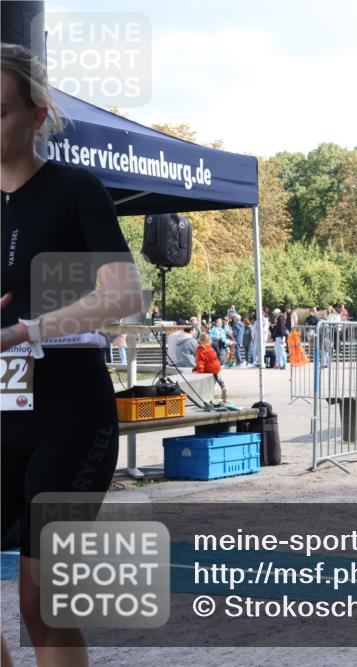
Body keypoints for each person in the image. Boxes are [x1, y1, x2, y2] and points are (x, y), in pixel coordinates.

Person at [1, 42, 144, 666]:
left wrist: (26, 330)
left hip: (68, 407)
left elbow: (124, 295)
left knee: (42, 604)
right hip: (2, 400)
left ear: (36, 116)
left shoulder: (73, 189)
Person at [194, 332, 227, 400]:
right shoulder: (210, 347)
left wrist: (200, 370)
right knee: (218, 377)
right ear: (208, 340)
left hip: (208, 368)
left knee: (212, 380)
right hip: (216, 366)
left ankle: (211, 393)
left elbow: (200, 361)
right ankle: (223, 387)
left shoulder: (200, 349)